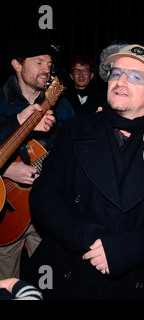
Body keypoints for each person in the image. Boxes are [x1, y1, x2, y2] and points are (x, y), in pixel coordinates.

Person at [23, 44, 144, 300]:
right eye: (115, 73)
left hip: (132, 279)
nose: (121, 81)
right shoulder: (74, 131)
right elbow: (44, 196)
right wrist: (88, 239)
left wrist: (122, 250)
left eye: (134, 77)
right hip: (67, 270)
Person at [0, 41, 74, 281]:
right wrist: (7, 170)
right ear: (16, 65)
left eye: (49, 64)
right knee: (6, 284)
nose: (46, 69)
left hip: (48, 211)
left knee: (52, 283)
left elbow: (72, 152)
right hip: (8, 210)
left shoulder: (61, 106)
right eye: (38, 62)